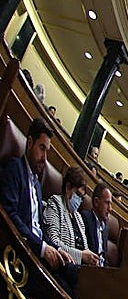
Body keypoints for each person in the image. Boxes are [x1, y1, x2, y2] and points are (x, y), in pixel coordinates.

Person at [0, 116, 75, 286]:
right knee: (65, 288)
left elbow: (39, 228)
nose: (44, 157)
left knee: (73, 272)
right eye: (42, 148)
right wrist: (42, 248)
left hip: (38, 254)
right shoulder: (14, 169)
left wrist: (56, 250)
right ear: (29, 143)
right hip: (23, 254)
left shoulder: (38, 186)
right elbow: (10, 215)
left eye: (47, 151)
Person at [41, 164, 102, 267]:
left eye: (81, 197)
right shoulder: (55, 203)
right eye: (77, 194)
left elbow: (85, 248)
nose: (78, 200)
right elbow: (53, 241)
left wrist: (90, 257)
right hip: (62, 264)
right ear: (68, 187)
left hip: (77, 267)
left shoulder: (78, 217)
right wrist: (81, 256)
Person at [79, 181, 113, 264]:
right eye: (107, 203)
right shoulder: (85, 218)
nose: (110, 208)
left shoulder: (105, 229)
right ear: (96, 202)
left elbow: (104, 260)